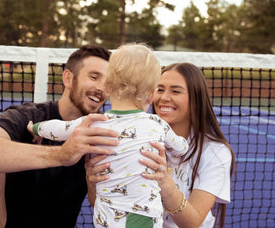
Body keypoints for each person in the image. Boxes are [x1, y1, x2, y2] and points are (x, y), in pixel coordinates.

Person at [0, 45, 120, 228]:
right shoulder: (29, 117)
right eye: (94, 77)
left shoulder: (105, 134)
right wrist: (62, 154)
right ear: (68, 78)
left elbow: (107, 204)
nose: (101, 88)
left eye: (108, 83)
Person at [28, 43, 189, 228]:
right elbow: (180, 147)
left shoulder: (94, 121)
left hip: (105, 216)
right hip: (143, 217)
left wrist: (35, 128)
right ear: (151, 95)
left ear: (108, 86)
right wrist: (182, 145)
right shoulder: (159, 124)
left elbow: (59, 129)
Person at [87, 62, 236, 228]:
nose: (164, 97)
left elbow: (192, 223)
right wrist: (93, 182)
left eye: (175, 91)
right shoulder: (132, 138)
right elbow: (104, 204)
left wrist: (165, 183)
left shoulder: (215, 152)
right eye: (160, 89)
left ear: (195, 99)